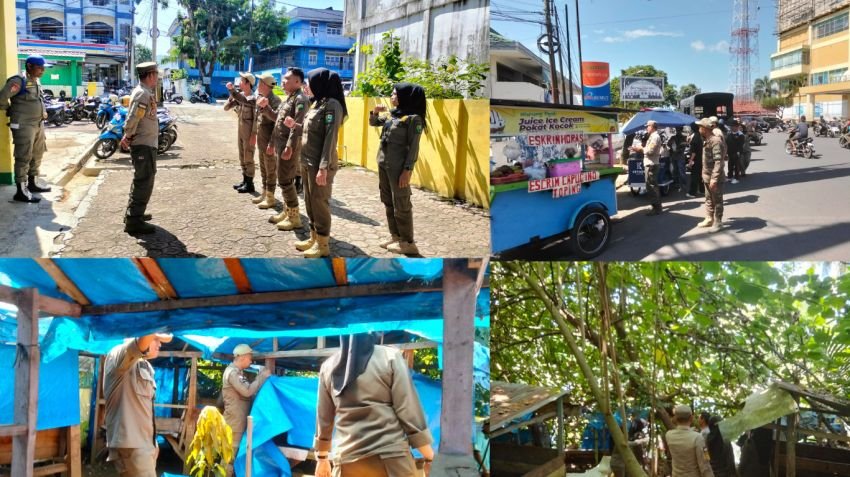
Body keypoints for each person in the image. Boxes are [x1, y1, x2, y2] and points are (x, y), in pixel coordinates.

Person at [314, 333, 435, 477]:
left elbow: (324, 417)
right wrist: (429, 456)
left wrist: (322, 458)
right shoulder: (390, 356)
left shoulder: (328, 366)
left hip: (346, 460)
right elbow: (407, 408)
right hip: (392, 457)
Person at [284, 68, 346, 258]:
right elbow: (313, 130)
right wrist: (296, 126)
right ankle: (314, 238)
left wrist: (323, 168)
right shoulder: (318, 103)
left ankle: (323, 244)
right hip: (308, 160)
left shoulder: (332, 106)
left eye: (309, 82)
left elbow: (330, 138)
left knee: (319, 203)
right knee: (310, 202)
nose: (306, 85)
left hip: (320, 164)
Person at [103, 333, 173, 477]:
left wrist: (152, 442)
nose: (159, 344)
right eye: (156, 340)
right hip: (131, 445)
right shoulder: (118, 355)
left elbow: (143, 409)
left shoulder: (145, 365)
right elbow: (140, 342)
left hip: (145, 444)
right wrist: (154, 328)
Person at [369, 83, 426, 255]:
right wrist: (375, 111)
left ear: (406, 97)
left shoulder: (413, 119)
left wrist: (407, 170)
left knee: (401, 203)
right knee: (388, 201)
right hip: (384, 164)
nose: (392, 96)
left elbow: (414, 147)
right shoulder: (393, 116)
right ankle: (396, 237)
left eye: (395, 94)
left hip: (398, 168)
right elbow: (374, 122)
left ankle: (408, 242)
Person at [0, 55, 52, 203]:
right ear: (29, 66)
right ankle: (21, 191)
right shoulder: (18, 81)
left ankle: (33, 183)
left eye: (43, 68)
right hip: (23, 125)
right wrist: (10, 110)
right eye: (39, 67)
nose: (42, 71)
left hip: (38, 124)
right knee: (24, 156)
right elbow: (2, 98)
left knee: (37, 153)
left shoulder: (36, 81)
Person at [263, 67, 309, 230]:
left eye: (287, 78)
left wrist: (289, 147)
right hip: (281, 145)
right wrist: (266, 108)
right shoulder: (289, 98)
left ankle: (294, 218)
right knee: (283, 179)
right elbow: (278, 120)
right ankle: (287, 211)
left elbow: (297, 126)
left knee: (285, 181)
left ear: (297, 81)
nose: (283, 81)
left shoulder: (301, 100)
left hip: (289, 147)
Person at [121, 62, 161, 235]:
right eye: (157, 74)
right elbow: (133, 118)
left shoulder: (145, 92)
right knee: (143, 182)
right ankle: (133, 221)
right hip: (143, 145)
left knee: (142, 180)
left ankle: (135, 214)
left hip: (146, 143)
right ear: (151, 75)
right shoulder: (142, 94)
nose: (158, 77)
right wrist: (128, 136)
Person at [222, 344, 271, 477]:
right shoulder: (232, 373)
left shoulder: (237, 373)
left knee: (235, 458)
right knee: (228, 459)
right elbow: (247, 391)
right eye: (250, 357)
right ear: (242, 357)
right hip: (234, 424)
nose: (251, 361)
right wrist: (262, 376)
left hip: (238, 422)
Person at [249, 74, 283, 209]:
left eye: (259, 81)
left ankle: (270, 197)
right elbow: (257, 119)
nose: (257, 84)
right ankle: (264, 192)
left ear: (265, 84)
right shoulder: (261, 99)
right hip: (261, 139)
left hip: (269, 140)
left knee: (270, 169)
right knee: (263, 168)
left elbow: (277, 124)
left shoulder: (275, 101)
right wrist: (254, 134)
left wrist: (272, 143)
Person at [226, 73, 258, 194]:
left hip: (249, 133)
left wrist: (254, 134)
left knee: (248, 157)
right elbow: (226, 108)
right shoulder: (241, 96)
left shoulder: (252, 98)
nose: (239, 83)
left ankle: (250, 184)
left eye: (241, 81)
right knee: (242, 157)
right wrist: (231, 96)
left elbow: (256, 119)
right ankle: (245, 180)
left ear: (248, 83)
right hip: (241, 131)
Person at [665, 405, 714, 477]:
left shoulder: (668, 435)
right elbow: (705, 463)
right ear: (691, 418)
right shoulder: (698, 437)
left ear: (675, 418)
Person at [696, 118, 725, 232]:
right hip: (707, 176)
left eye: (700, 127)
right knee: (708, 199)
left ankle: (718, 223)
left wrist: (714, 179)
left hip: (714, 178)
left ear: (705, 128)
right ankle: (709, 219)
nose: (698, 129)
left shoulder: (715, 141)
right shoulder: (706, 139)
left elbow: (719, 162)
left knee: (717, 200)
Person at [629, 120, 663, 215]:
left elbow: (650, 151)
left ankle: (656, 208)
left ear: (652, 126)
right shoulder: (652, 136)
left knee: (651, 186)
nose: (646, 128)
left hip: (651, 164)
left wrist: (640, 149)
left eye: (647, 126)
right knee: (652, 185)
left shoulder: (655, 137)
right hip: (650, 163)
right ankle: (657, 206)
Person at [686, 123, 705, 198]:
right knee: (700, 176)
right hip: (701, 159)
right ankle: (702, 190)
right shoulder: (700, 136)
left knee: (694, 176)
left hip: (696, 160)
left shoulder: (695, 138)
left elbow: (693, 152)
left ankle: (692, 193)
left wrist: (690, 161)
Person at [726, 120, 745, 184]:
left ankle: (737, 178)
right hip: (730, 152)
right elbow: (727, 143)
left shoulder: (740, 135)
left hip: (736, 152)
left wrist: (739, 152)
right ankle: (730, 176)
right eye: (731, 126)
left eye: (733, 126)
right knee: (730, 165)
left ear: (736, 127)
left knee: (736, 166)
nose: (731, 127)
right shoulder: (729, 133)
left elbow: (741, 145)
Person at [669, 127, 688, 192]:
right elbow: (668, 144)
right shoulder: (673, 137)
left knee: (681, 171)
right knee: (675, 171)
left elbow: (685, 145)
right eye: (677, 130)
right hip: (674, 156)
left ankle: (683, 185)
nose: (678, 131)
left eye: (679, 130)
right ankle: (676, 184)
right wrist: (671, 142)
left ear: (681, 130)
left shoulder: (683, 137)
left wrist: (678, 148)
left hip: (680, 156)